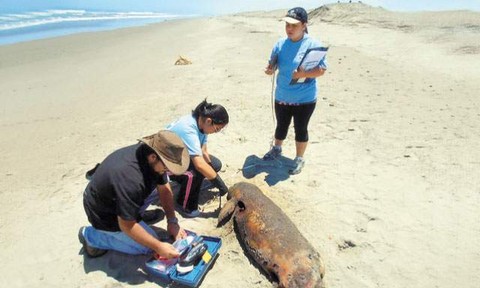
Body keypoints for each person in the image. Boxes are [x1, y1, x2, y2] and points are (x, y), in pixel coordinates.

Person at [79, 130, 190, 258]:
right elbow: (126, 224)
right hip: (103, 213)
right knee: (149, 248)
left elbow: (164, 187)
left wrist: (172, 221)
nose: (169, 170)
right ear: (153, 157)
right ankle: (91, 236)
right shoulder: (130, 179)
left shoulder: (149, 154)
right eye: (167, 166)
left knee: (158, 189)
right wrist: (158, 246)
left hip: (118, 196)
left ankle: (136, 214)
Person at [263, 7, 328, 175]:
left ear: (304, 25)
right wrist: (270, 69)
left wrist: (303, 74)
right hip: (282, 95)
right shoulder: (280, 44)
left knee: (301, 129)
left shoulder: (314, 45)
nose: (289, 29)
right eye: (287, 25)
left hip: (305, 98)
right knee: (281, 126)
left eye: (294, 25)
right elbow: (273, 64)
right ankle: (277, 149)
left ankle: (299, 159)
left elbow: (321, 70)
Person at [167, 99, 229, 218]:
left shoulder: (202, 122)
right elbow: (199, 164)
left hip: (179, 156)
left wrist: (213, 173)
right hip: (165, 162)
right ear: (209, 121)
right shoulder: (188, 128)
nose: (215, 132)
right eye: (216, 129)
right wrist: (219, 184)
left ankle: (189, 186)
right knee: (195, 173)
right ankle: (184, 205)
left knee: (215, 165)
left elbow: (204, 151)